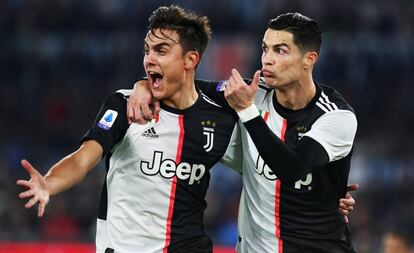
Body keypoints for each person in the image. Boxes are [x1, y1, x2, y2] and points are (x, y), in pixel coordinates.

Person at [16, 5, 242, 253]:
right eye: (147, 50)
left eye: (161, 50)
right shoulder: (124, 106)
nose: (149, 59)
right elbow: (82, 159)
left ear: (190, 60)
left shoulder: (219, 118)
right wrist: (49, 183)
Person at [128, 12, 358, 253]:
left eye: (280, 51)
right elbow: (182, 85)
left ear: (308, 59)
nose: (267, 59)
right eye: (265, 49)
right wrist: (142, 86)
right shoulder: (252, 94)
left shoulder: (336, 116)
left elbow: (292, 169)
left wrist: (247, 111)